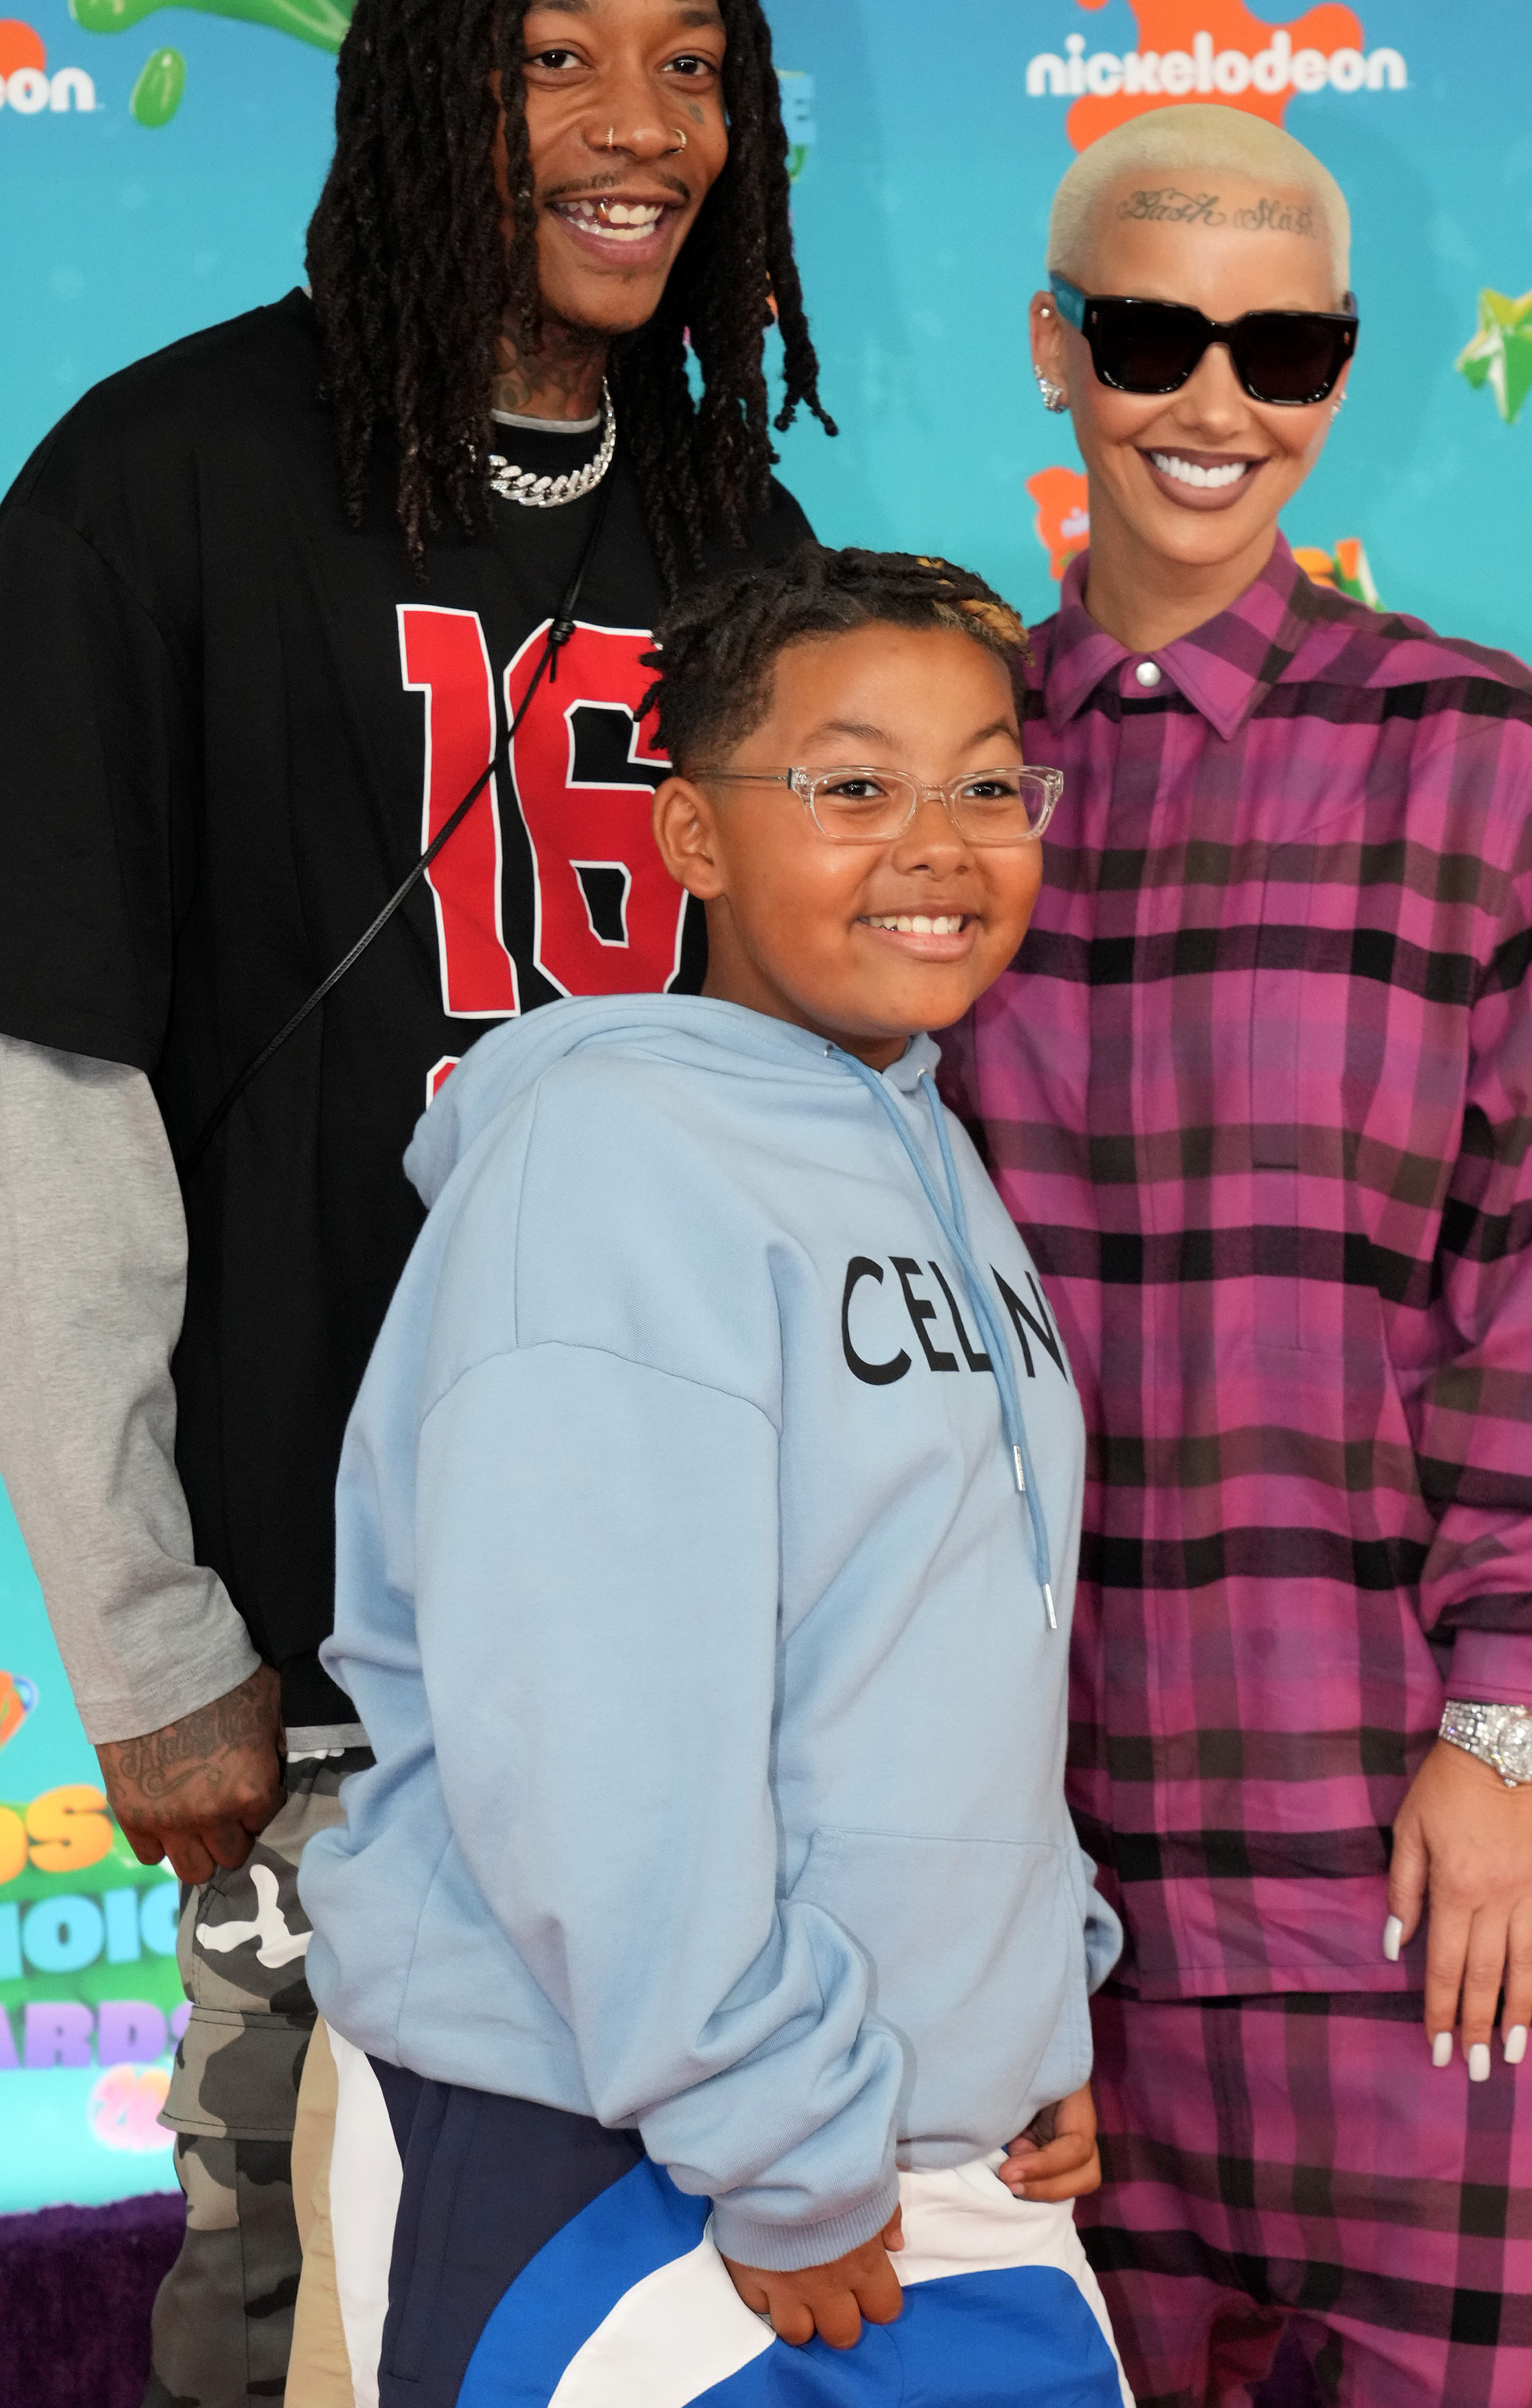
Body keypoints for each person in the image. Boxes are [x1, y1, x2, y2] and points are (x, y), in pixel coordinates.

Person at [0, 0, 828, 2408]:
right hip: (322, 1692)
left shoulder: (732, 528)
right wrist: (144, 1633)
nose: (636, 121)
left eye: (692, 62)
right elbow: (33, 1076)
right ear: (431, 84)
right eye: (556, 55)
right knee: (300, 2286)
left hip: (683, 1668)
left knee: (641, 2321)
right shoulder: (159, 479)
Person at [942, 104, 1532, 2408]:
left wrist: (1504, 1721)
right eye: (1153, 333)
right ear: (1055, 349)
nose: (1215, 399)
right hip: (1036, 1895)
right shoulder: (946, 780)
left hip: (1415, 1849)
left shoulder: (1474, 751)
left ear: (1342, 372)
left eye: (1285, 344)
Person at [295, 545, 1131, 2407]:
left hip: (917, 2140)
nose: (941, 840)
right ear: (688, 837)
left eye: (990, 783)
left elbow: (941, 1648)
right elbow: (589, 1733)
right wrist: (772, 2125)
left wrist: (1024, 1997)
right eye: (853, 785)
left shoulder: (927, 1150)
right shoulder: (607, 1154)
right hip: (641, 2157)